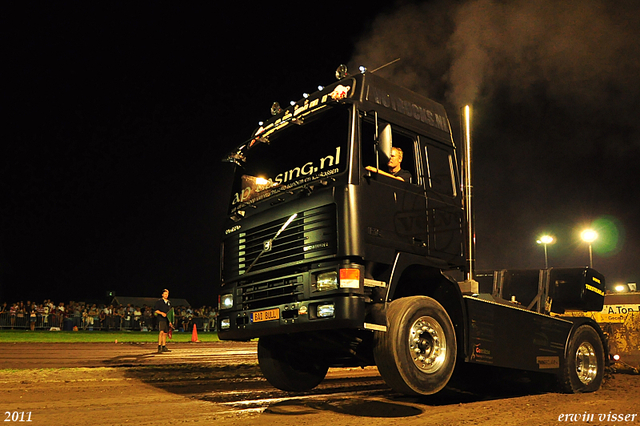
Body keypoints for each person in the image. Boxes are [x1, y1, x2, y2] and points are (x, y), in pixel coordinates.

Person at [154, 289, 173, 353]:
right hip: (161, 319)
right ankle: (159, 346)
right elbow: (156, 310)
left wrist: (170, 321)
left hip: (167, 319)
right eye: (165, 294)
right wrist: (162, 313)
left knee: (165, 333)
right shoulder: (159, 302)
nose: (166, 295)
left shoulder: (169, 302)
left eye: (167, 294)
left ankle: (164, 346)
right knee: (161, 332)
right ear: (162, 294)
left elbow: (170, 312)